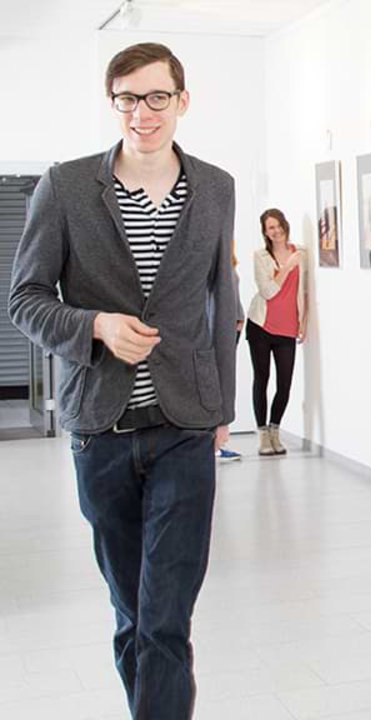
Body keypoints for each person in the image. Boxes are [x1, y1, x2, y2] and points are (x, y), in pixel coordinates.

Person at [8, 42, 236, 718]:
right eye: (129, 98)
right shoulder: (67, 185)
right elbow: (25, 298)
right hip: (100, 429)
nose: (143, 112)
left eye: (157, 96)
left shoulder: (216, 187)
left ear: (182, 100)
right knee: (133, 613)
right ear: (113, 104)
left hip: (186, 427)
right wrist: (96, 328)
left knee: (166, 617)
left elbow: (222, 300)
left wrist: (224, 403)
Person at [246, 208, 307, 456]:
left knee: (285, 385)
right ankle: (262, 435)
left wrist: (304, 321)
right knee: (262, 380)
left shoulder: (299, 253)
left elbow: (303, 291)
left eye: (278, 224)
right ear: (265, 232)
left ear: (285, 224)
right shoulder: (260, 256)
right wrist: (286, 268)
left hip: (287, 328)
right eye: (270, 227)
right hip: (261, 325)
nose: (276, 230)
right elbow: (268, 291)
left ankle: (275, 430)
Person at [218, 241, 246, 462]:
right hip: (223, 328)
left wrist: (239, 317)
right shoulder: (215, 265)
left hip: (232, 326)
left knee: (225, 379)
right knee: (219, 381)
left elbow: (233, 296)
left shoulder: (230, 263)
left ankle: (219, 442)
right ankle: (216, 443)